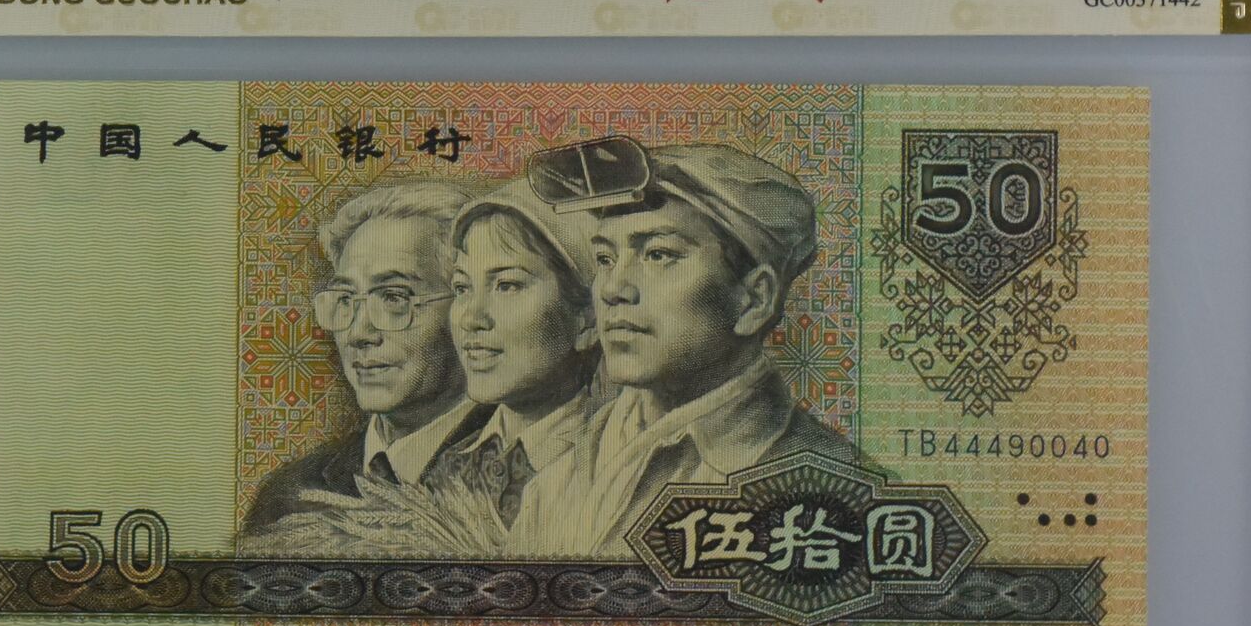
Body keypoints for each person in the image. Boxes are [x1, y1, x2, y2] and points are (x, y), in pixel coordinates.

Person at [520, 143, 857, 557]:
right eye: (605, 259)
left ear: (754, 299)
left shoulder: (829, 488)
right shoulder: (561, 475)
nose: (613, 288)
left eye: (658, 254)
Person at [240, 180, 488, 535]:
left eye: (394, 297)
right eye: (345, 299)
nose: (358, 333)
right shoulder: (289, 496)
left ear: (466, 307)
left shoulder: (527, 479)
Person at [430, 179, 604, 531]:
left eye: (507, 285)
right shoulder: (446, 469)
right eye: (462, 287)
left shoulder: (612, 468)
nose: (471, 319)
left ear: (587, 320)